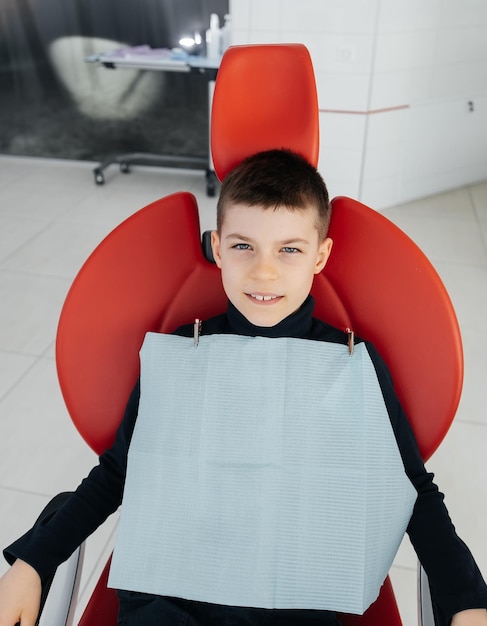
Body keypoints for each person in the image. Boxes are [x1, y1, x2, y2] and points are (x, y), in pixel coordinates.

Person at [1, 149, 487, 626]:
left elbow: (411, 490)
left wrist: (468, 600)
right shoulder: (181, 355)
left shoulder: (352, 368)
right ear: (217, 247)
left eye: (289, 249)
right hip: (170, 596)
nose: (264, 271)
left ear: (321, 255)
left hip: (297, 597)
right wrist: (33, 564)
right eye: (243, 246)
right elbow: (118, 473)